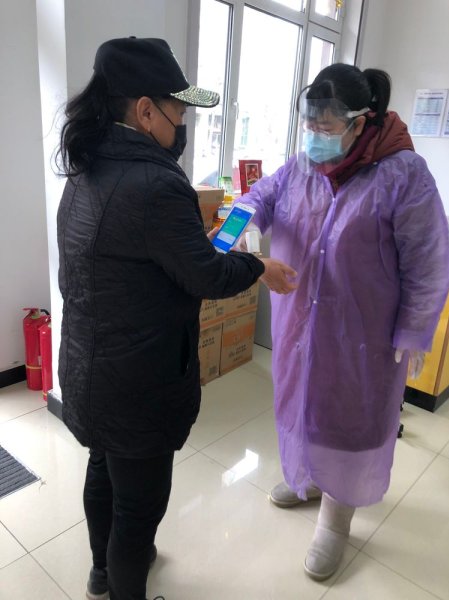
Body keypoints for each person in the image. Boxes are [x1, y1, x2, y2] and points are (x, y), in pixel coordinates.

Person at [55, 37, 297, 600]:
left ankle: (101, 574)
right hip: (137, 381)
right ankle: (124, 586)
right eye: (178, 110)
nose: (183, 122)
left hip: (90, 367)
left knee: (103, 469)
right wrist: (258, 265)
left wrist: (192, 246)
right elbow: (207, 278)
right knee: (138, 509)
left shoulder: (85, 167)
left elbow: (129, 260)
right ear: (146, 111)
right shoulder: (158, 184)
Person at [236, 63, 449, 581]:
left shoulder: (403, 175)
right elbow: (259, 196)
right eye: (309, 125)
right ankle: (309, 478)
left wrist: (414, 330)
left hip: (364, 335)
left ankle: (335, 519)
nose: (314, 136)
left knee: (348, 419)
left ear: (360, 122)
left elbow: (427, 259)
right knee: (303, 403)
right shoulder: (302, 166)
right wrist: (237, 228)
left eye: (326, 127)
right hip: (300, 326)